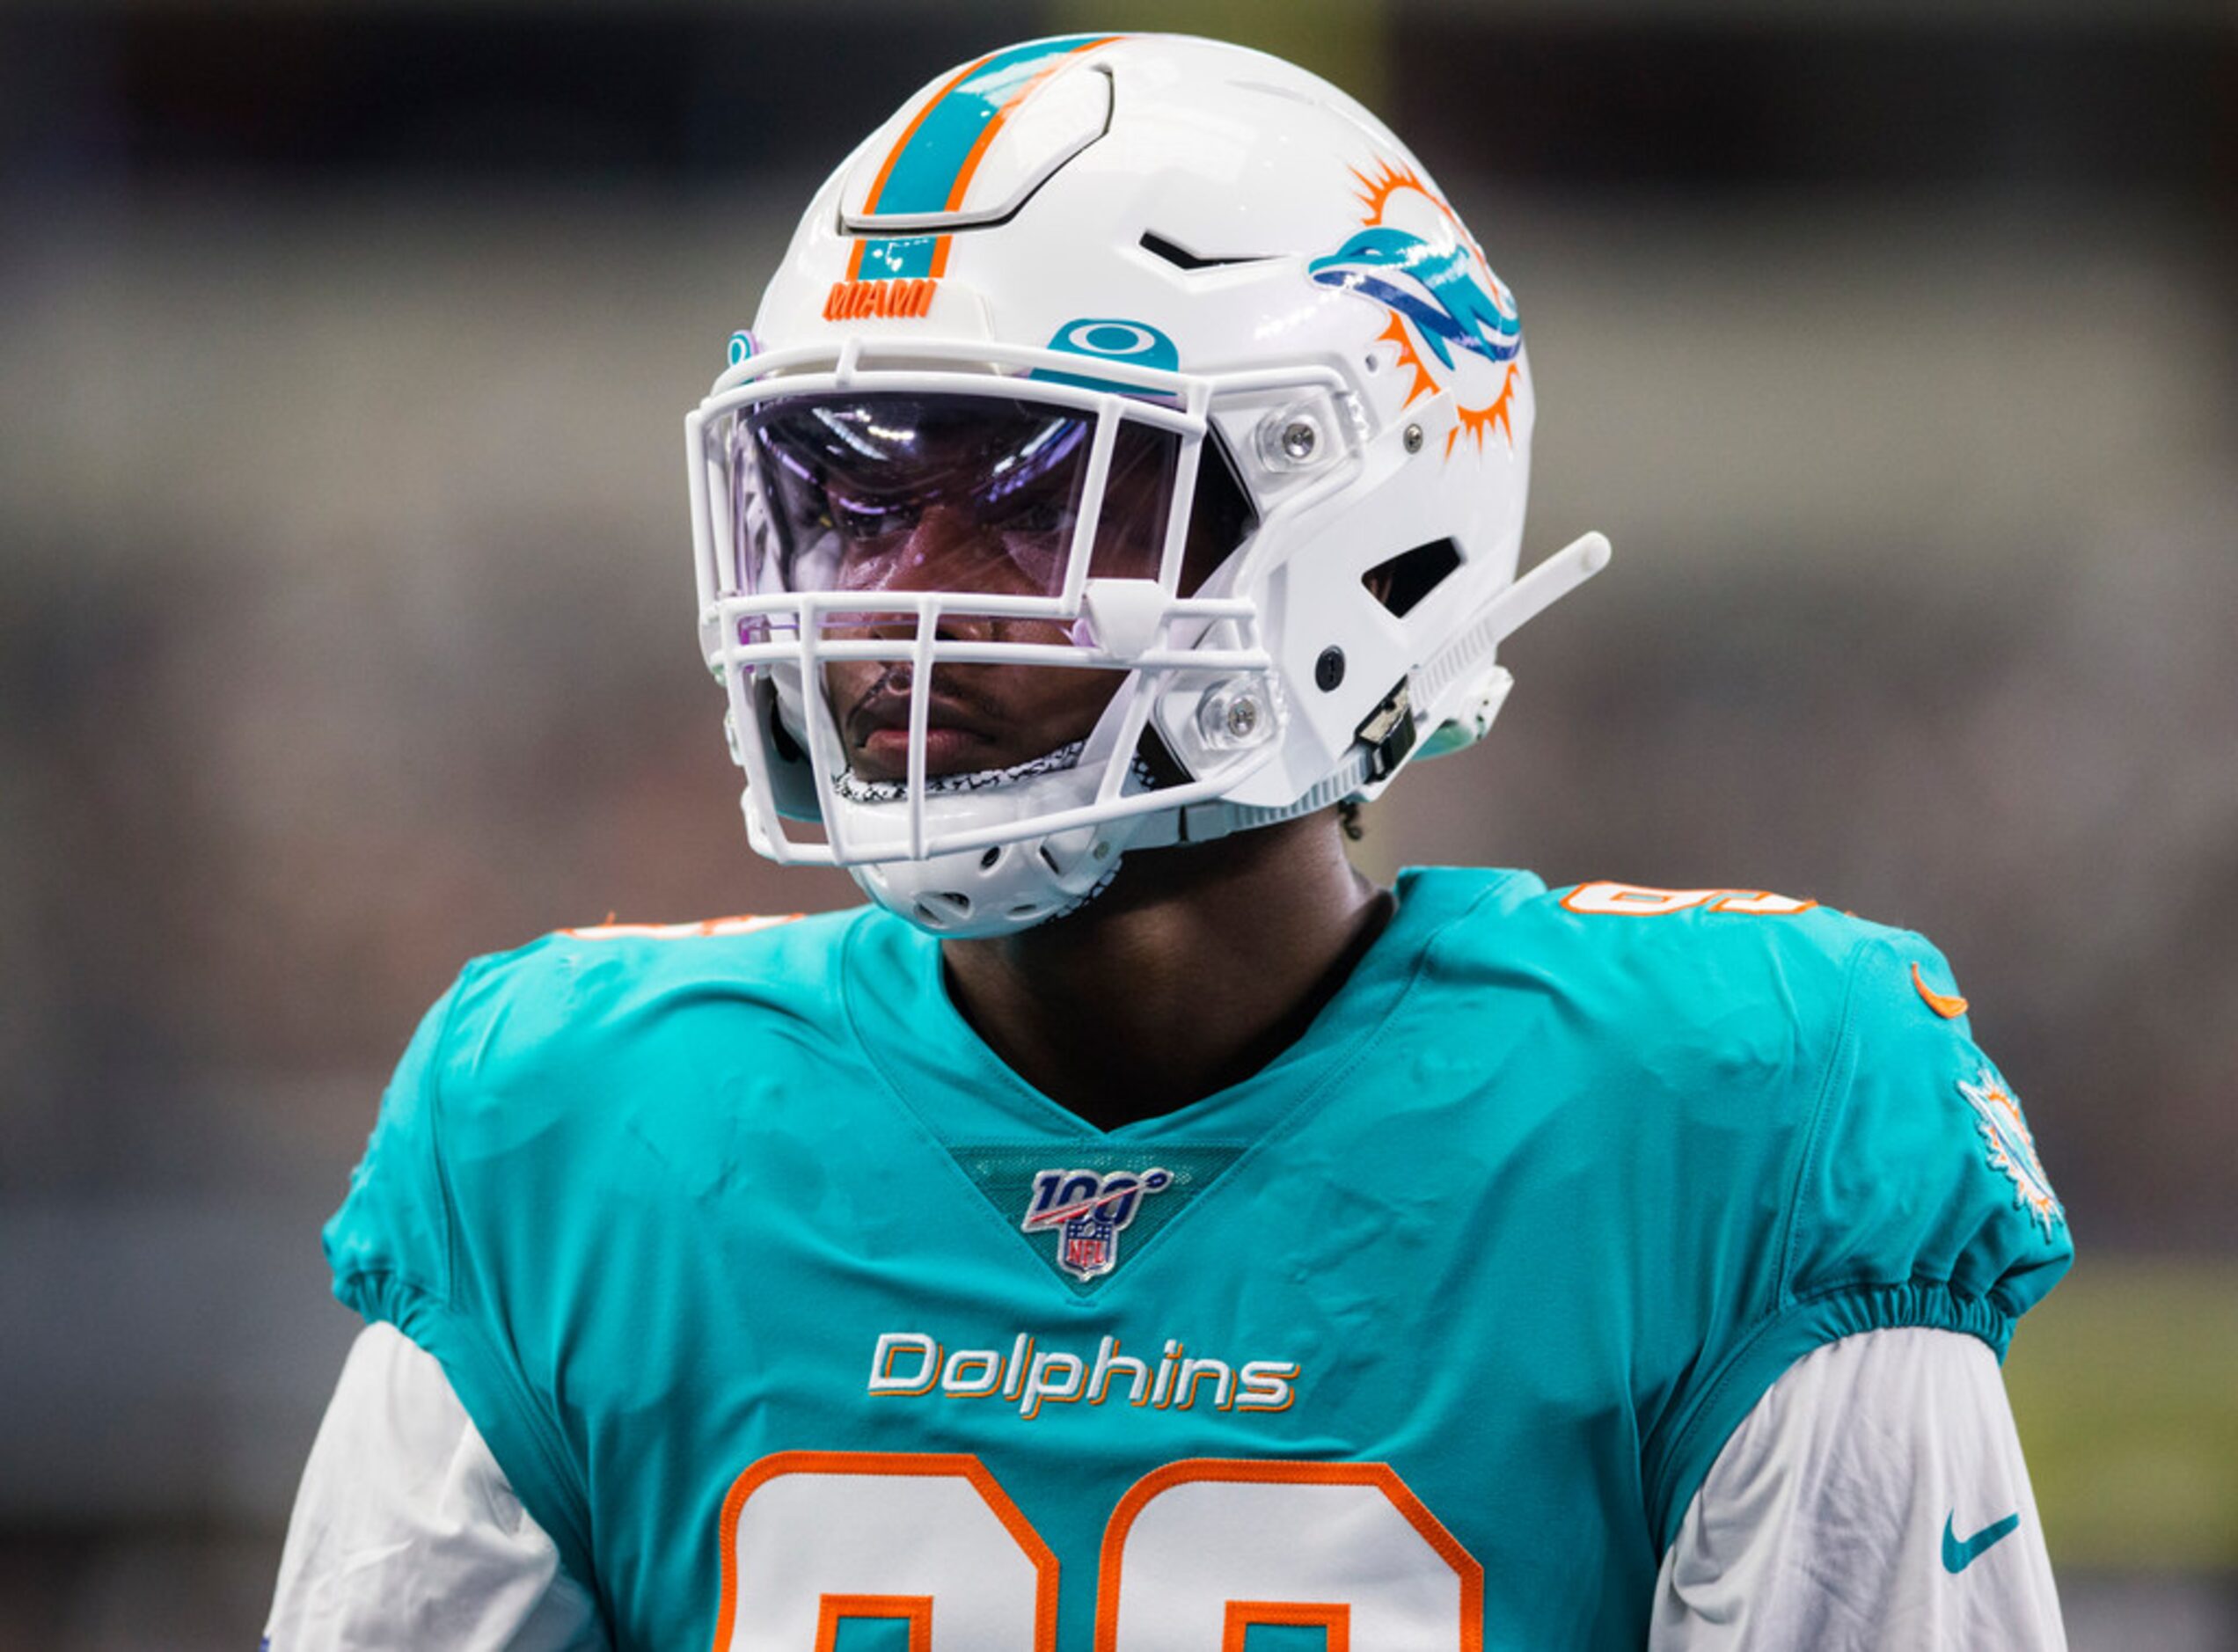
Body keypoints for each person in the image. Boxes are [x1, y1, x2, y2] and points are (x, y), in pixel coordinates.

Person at [266, 32, 2073, 1650]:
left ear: (1365, 532)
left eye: (1036, 492)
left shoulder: (1739, 1115)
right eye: (854, 494)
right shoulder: (570, 1127)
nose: (901, 596)